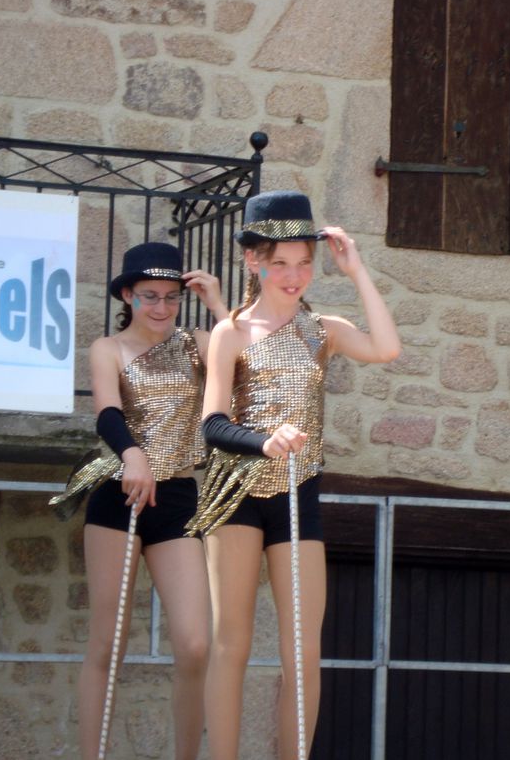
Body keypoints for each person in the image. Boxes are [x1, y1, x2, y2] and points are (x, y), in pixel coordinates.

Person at [184, 190, 401, 759]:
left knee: (303, 649)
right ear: (254, 261)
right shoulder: (231, 331)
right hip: (234, 492)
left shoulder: (323, 328)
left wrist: (356, 273)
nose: (294, 274)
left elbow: (386, 346)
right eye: (280, 262)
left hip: (300, 493)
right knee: (230, 642)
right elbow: (211, 424)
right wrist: (263, 440)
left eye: (304, 261)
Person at [51, 241, 229, 760]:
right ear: (127, 294)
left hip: (177, 495)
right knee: (109, 642)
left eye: (171, 297)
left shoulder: (198, 342)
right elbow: (107, 413)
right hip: (119, 493)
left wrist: (218, 306)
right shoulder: (108, 348)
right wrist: (133, 455)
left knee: (196, 644)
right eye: (149, 295)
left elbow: (248, 364)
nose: (160, 307)